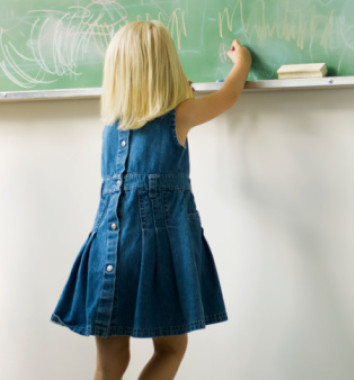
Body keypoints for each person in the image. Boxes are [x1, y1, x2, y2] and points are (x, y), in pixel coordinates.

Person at [51, 21, 251, 380]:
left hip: (108, 254)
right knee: (171, 349)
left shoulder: (111, 124)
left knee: (108, 365)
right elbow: (230, 96)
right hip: (159, 255)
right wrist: (242, 64)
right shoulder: (182, 114)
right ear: (168, 67)